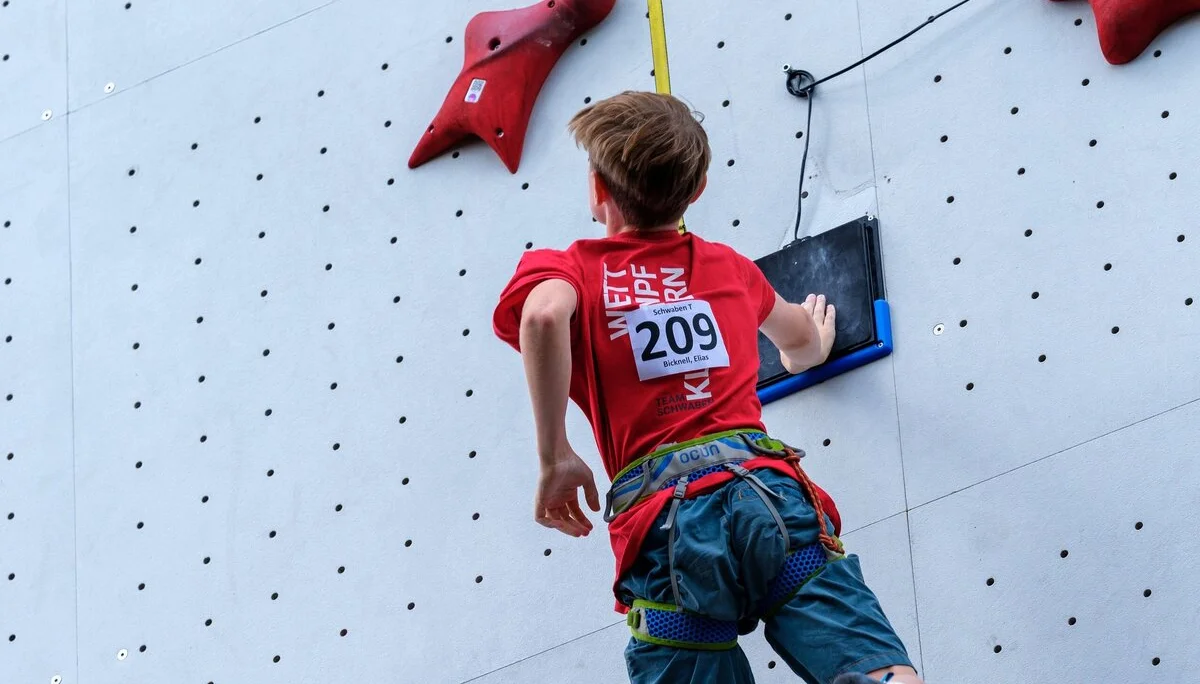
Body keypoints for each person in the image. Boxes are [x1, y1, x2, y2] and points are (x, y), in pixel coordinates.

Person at [492, 91, 920, 684]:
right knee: (871, 665)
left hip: (666, 527)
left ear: (597, 190)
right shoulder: (732, 268)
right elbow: (801, 344)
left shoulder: (569, 269)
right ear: (697, 190)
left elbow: (542, 317)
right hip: (766, 493)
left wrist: (556, 454)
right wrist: (812, 345)